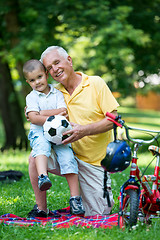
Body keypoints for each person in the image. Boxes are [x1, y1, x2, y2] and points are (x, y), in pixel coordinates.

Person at [27, 46, 119, 218]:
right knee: (35, 156)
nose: (54, 69)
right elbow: (34, 110)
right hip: (66, 154)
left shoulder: (95, 83)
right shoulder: (53, 93)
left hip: (94, 164)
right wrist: (34, 114)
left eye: (57, 62)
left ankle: (84, 198)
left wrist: (84, 131)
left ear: (69, 60)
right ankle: (41, 209)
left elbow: (114, 120)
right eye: (49, 68)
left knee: (99, 213)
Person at [23, 59, 85, 215]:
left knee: (68, 157)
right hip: (39, 133)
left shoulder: (57, 93)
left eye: (39, 77)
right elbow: (34, 119)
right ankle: (43, 177)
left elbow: (63, 111)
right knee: (41, 148)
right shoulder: (31, 97)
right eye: (32, 80)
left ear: (46, 74)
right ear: (27, 82)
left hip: (59, 132)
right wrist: (52, 114)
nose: (37, 82)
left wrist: (40, 113)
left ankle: (75, 199)